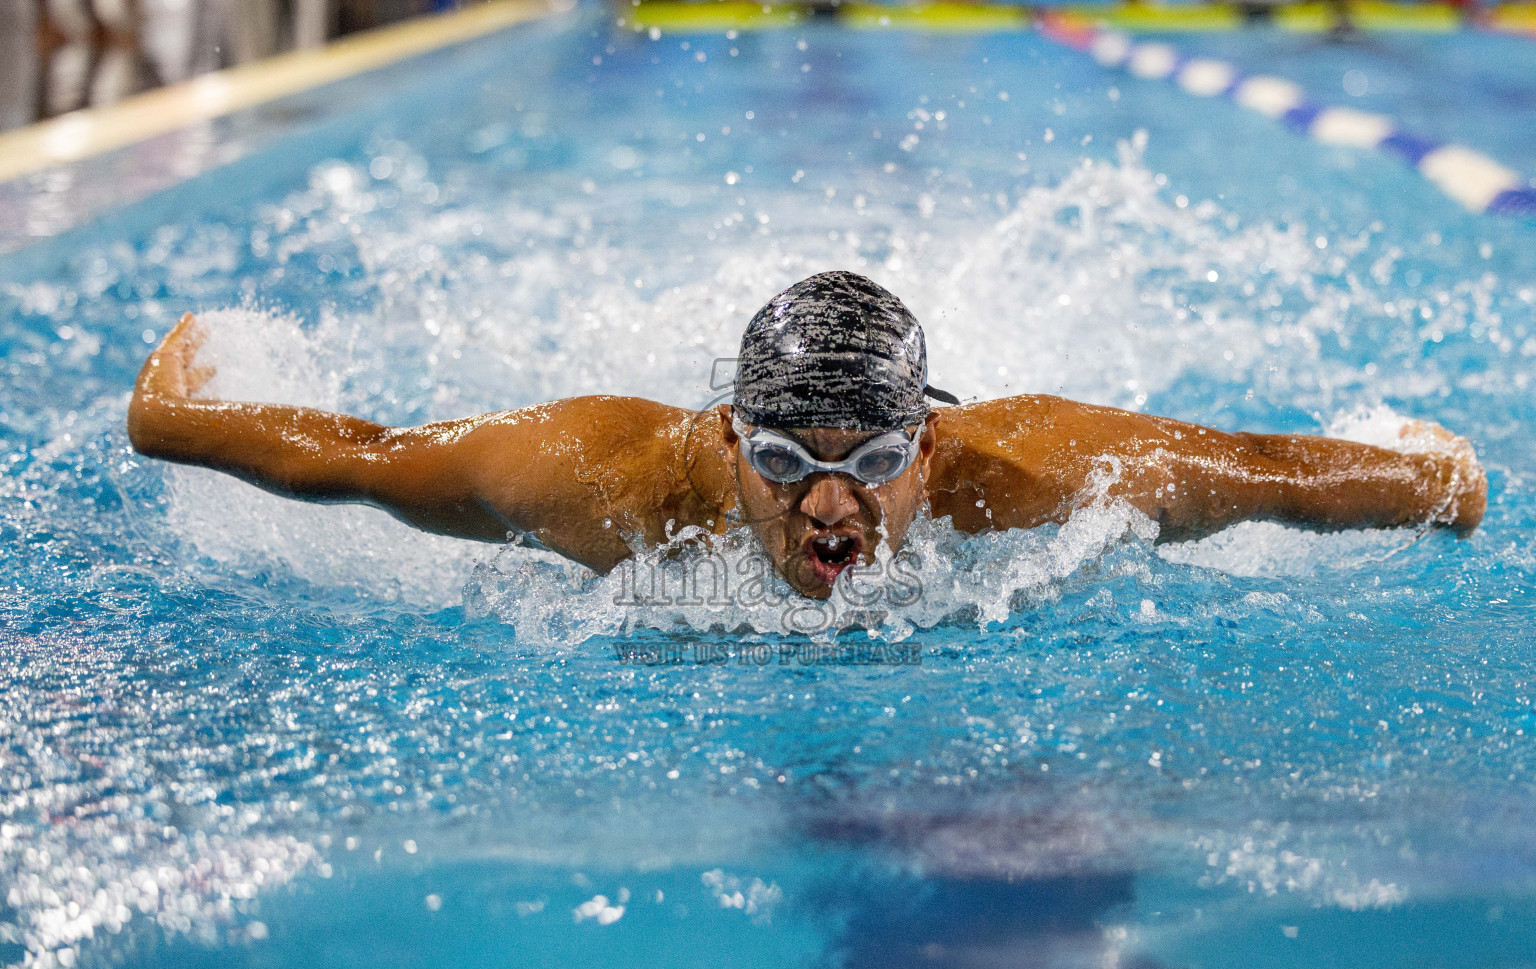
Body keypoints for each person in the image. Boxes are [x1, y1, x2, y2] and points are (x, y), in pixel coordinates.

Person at [127, 271, 1486, 600]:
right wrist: (180, 405)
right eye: (783, 460)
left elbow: (1261, 470)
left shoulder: (1034, 482)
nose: (829, 505)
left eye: (873, 463)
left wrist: (1437, 479)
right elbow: (358, 455)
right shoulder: (597, 482)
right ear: (727, 440)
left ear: (930, 452)